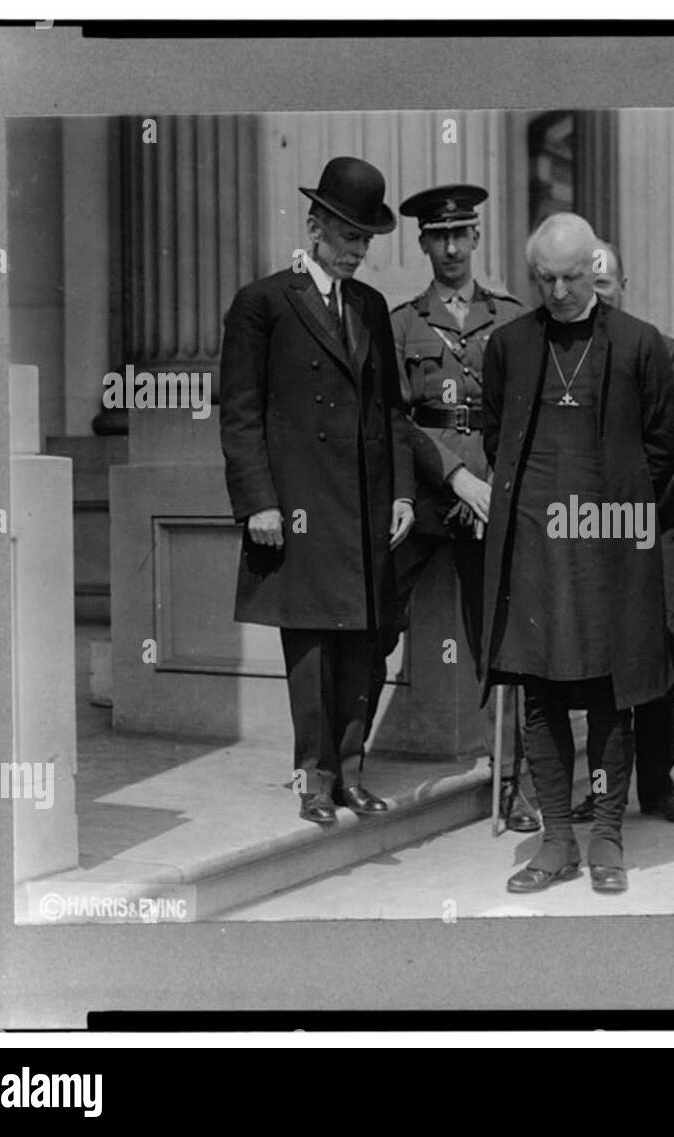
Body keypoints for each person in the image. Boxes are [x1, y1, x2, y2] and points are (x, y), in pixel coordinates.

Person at [481, 212, 674, 895]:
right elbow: (494, 437)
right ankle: (556, 838)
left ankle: (607, 839)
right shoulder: (509, 344)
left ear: (594, 267)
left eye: (572, 276)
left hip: (609, 545)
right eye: (545, 278)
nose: (560, 291)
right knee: (538, 693)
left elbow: (663, 448)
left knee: (607, 696)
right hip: (534, 543)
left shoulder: (640, 344)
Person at [219, 156, 415, 825]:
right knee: (308, 646)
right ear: (313, 226)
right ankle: (313, 775)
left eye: (366, 238)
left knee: (363, 642)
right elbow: (240, 412)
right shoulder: (263, 303)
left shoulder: (370, 306)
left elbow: (392, 410)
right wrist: (258, 502)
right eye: (348, 234)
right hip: (297, 505)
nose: (358, 249)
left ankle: (350, 773)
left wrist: (403, 494)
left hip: (364, 504)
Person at [385, 183, 538, 833]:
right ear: (422, 243)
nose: (450, 246)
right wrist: (451, 475)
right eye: (437, 236)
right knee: (374, 611)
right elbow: (397, 417)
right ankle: (337, 766)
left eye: (460, 234)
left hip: (492, 494)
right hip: (426, 492)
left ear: (477, 238)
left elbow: (525, 412)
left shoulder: (509, 317)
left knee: (501, 638)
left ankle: (518, 781)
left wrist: (493, 483)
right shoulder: (401, 323)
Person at [568, 239, 674, 827]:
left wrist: (628, 509)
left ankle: (657, 785)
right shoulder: (561, 354)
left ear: (621, 286)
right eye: (588, 283)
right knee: (597, 667)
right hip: (579, 533)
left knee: (653, 666)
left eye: (606, 284)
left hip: (646, 530)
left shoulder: (656, 347)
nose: (596, 295)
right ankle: (601, 787)